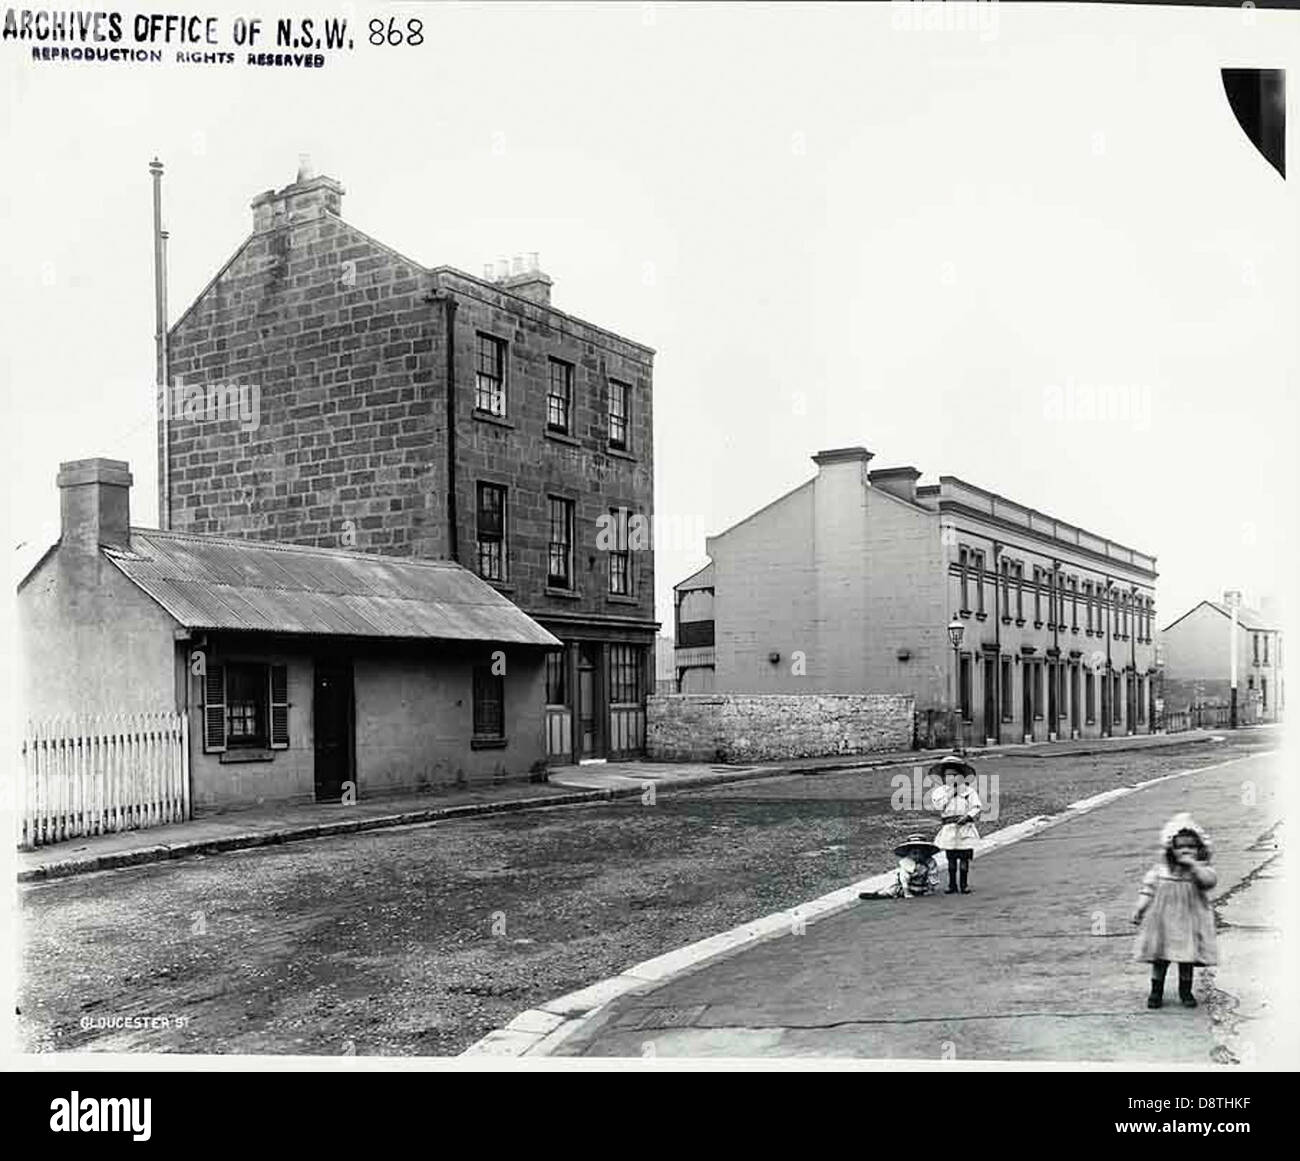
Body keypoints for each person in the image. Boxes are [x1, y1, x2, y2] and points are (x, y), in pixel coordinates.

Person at [1132, 812, 1218, 1009]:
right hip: (1162, 923)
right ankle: (1156, 992)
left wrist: (1195, 866)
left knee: (1186, 959)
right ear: (1171, 849)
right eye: (1181, 847)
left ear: (1200, 849)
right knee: (1160, 959)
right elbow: (1148, 889)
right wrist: (1140, 908)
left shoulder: (1200, 870)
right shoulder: (1160, 871)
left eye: (1191, 846)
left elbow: (1209, 881)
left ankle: (1185, 991)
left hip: (1188, 922)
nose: (1186, 850)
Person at [929, 754, 982, 894]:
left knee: (964, 857)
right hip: (950, 828)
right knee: (951, 857)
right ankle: (952, 884)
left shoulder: (969, 791)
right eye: (948, 776)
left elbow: (976, 806)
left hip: (965, 827)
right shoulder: (939, 792)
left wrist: (968, 816)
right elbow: (939, 806)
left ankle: (963, 884)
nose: (951, 778)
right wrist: (951, 792)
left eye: (955, 775)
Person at [859, 834, 942, 899]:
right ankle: (879, 894)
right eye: (914, 853)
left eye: (921, 853)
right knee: (893, 890)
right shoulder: (906, 862)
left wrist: (931, 888)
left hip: (923, 886)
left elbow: (933, 874)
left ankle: (884, 893)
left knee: (923, 889)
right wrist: (907, 892)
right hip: (907, 886)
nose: (918, 856)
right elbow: (904, 878)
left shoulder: (930, 862)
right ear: (909, 854)